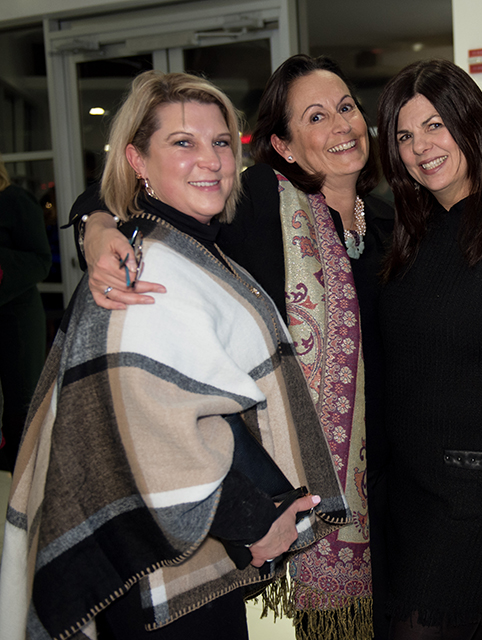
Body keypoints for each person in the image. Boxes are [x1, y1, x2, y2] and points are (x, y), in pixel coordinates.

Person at [0, 71, 348, 640]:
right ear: (137, 160)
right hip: (160, 573)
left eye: (221, 142)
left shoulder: (188, 243)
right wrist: (255, 521)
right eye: (183, 142)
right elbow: (136, 438)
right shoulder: (139, 271)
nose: (210, 159)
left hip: (189, 558)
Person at [69, 55, 393, 639]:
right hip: (279, 482)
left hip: (388, 477)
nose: (341, 125)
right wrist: (97, 226)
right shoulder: (261, 203)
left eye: (346, 107)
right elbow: (144, 186)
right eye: (316, 116)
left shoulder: (394, 223)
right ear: (283, 146)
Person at [376, 59, 482, 639]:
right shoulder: (402, 236)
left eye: (435, 125)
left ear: (470, 124)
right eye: (404, 135)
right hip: (406, 486)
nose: (421, 147)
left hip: (471, 491)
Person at [0, 154, 51, 472]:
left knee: (21, 405)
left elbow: (40, 260)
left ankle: (24, 480)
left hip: (16, 320)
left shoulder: (14, 200)